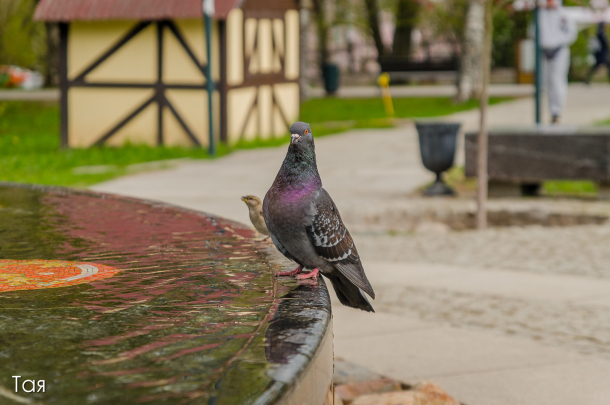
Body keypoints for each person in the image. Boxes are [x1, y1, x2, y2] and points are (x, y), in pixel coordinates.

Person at [539, 0, 578, 124]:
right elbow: (534, 33)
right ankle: (551, 110)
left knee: (557, 81)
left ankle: (557, 111)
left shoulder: (564, 15)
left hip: (559, 51)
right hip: (544, 52)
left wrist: (558, 42)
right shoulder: (540, 14)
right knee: (547, 82)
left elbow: (572, 33)